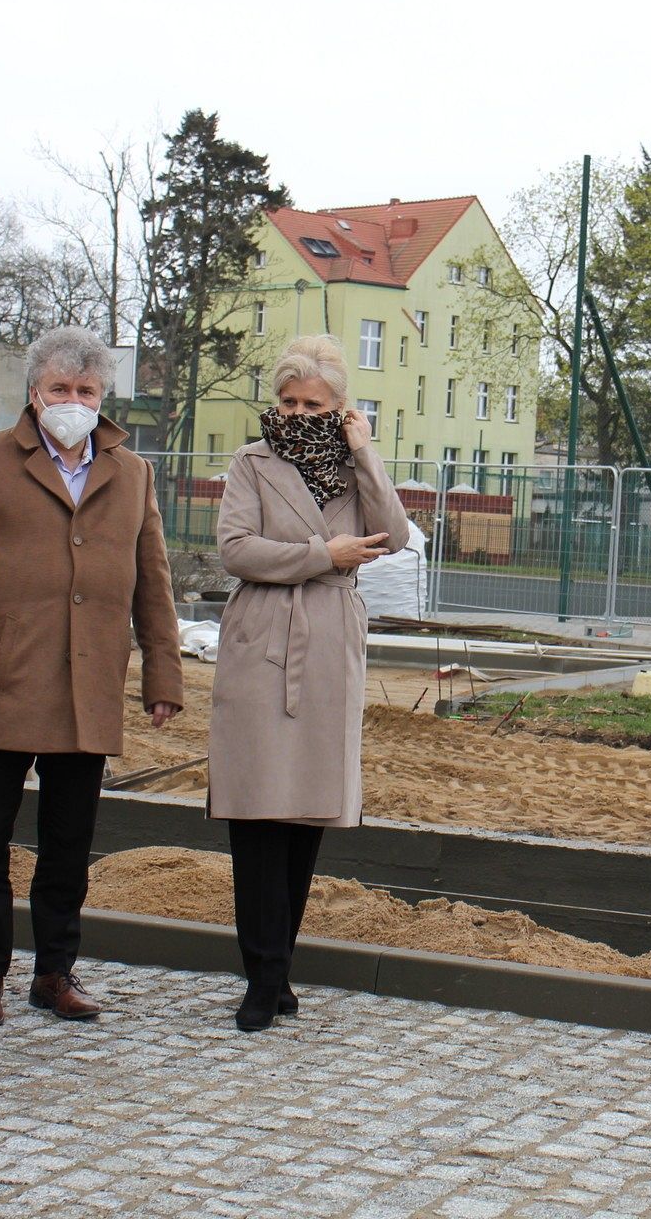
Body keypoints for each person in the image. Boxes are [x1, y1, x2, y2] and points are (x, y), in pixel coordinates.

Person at [0, 326, 185, 1029]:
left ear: (104, 398)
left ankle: (54, 972)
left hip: (87, 689)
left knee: (68, 845)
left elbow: (153, 584)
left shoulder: (133, 474)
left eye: (87, 391)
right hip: (5, 679)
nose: (74, 401)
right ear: (35, 394)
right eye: (61, 389)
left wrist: (164, 674)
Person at [207, 334, 410, 1032]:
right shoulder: (250, 462)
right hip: (261, 637)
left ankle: (281, 966)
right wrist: (320, 554)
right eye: (287, 401)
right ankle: (261, 976)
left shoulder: (355, 470)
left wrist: (366, 454)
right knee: (258, 812)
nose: (296, 413)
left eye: (312, 403)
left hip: (328, 642)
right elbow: (236, 548)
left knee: (304, 816)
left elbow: (397, 535)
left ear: (340, 409)